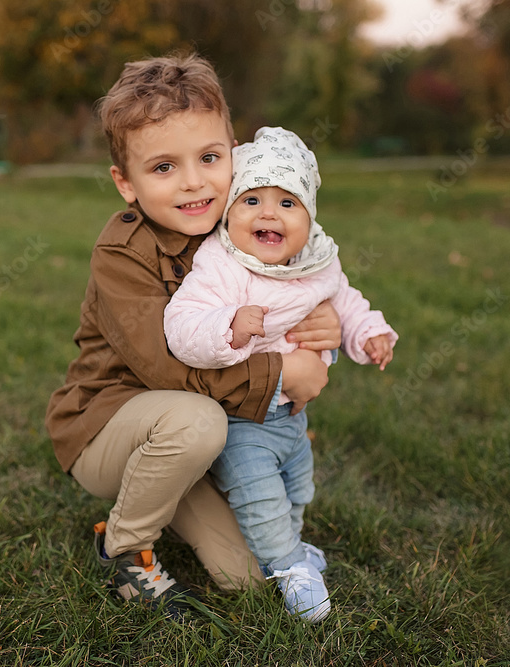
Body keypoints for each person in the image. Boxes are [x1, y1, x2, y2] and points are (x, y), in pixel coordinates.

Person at [44, 54, 341, 618]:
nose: (193, 182)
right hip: (108, 424)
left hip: (188, 435)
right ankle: (125, 549)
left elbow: (293, 293)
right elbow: (168, 371)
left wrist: (325, 324)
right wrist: (280, 374)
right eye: (163, 168)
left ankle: (167, 493)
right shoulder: (121, 254)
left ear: (236, 154)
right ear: (125, 184)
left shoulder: (242, 228)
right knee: (196, 421)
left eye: (210, 157)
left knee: (245, 576)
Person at [163, 126, 398, 622]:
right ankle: (289, 565)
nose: (268, 213)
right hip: (244, 418)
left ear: (309, 218)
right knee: (259, 493)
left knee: (297, 488)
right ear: (230, 212)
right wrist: (228, 324)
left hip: (292, 419)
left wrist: (368, 332)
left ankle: (291, 546)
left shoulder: (315, 265)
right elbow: (182, 325)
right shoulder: (222, 265)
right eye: (252, 200)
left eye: (287, 203)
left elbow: (346, 302)